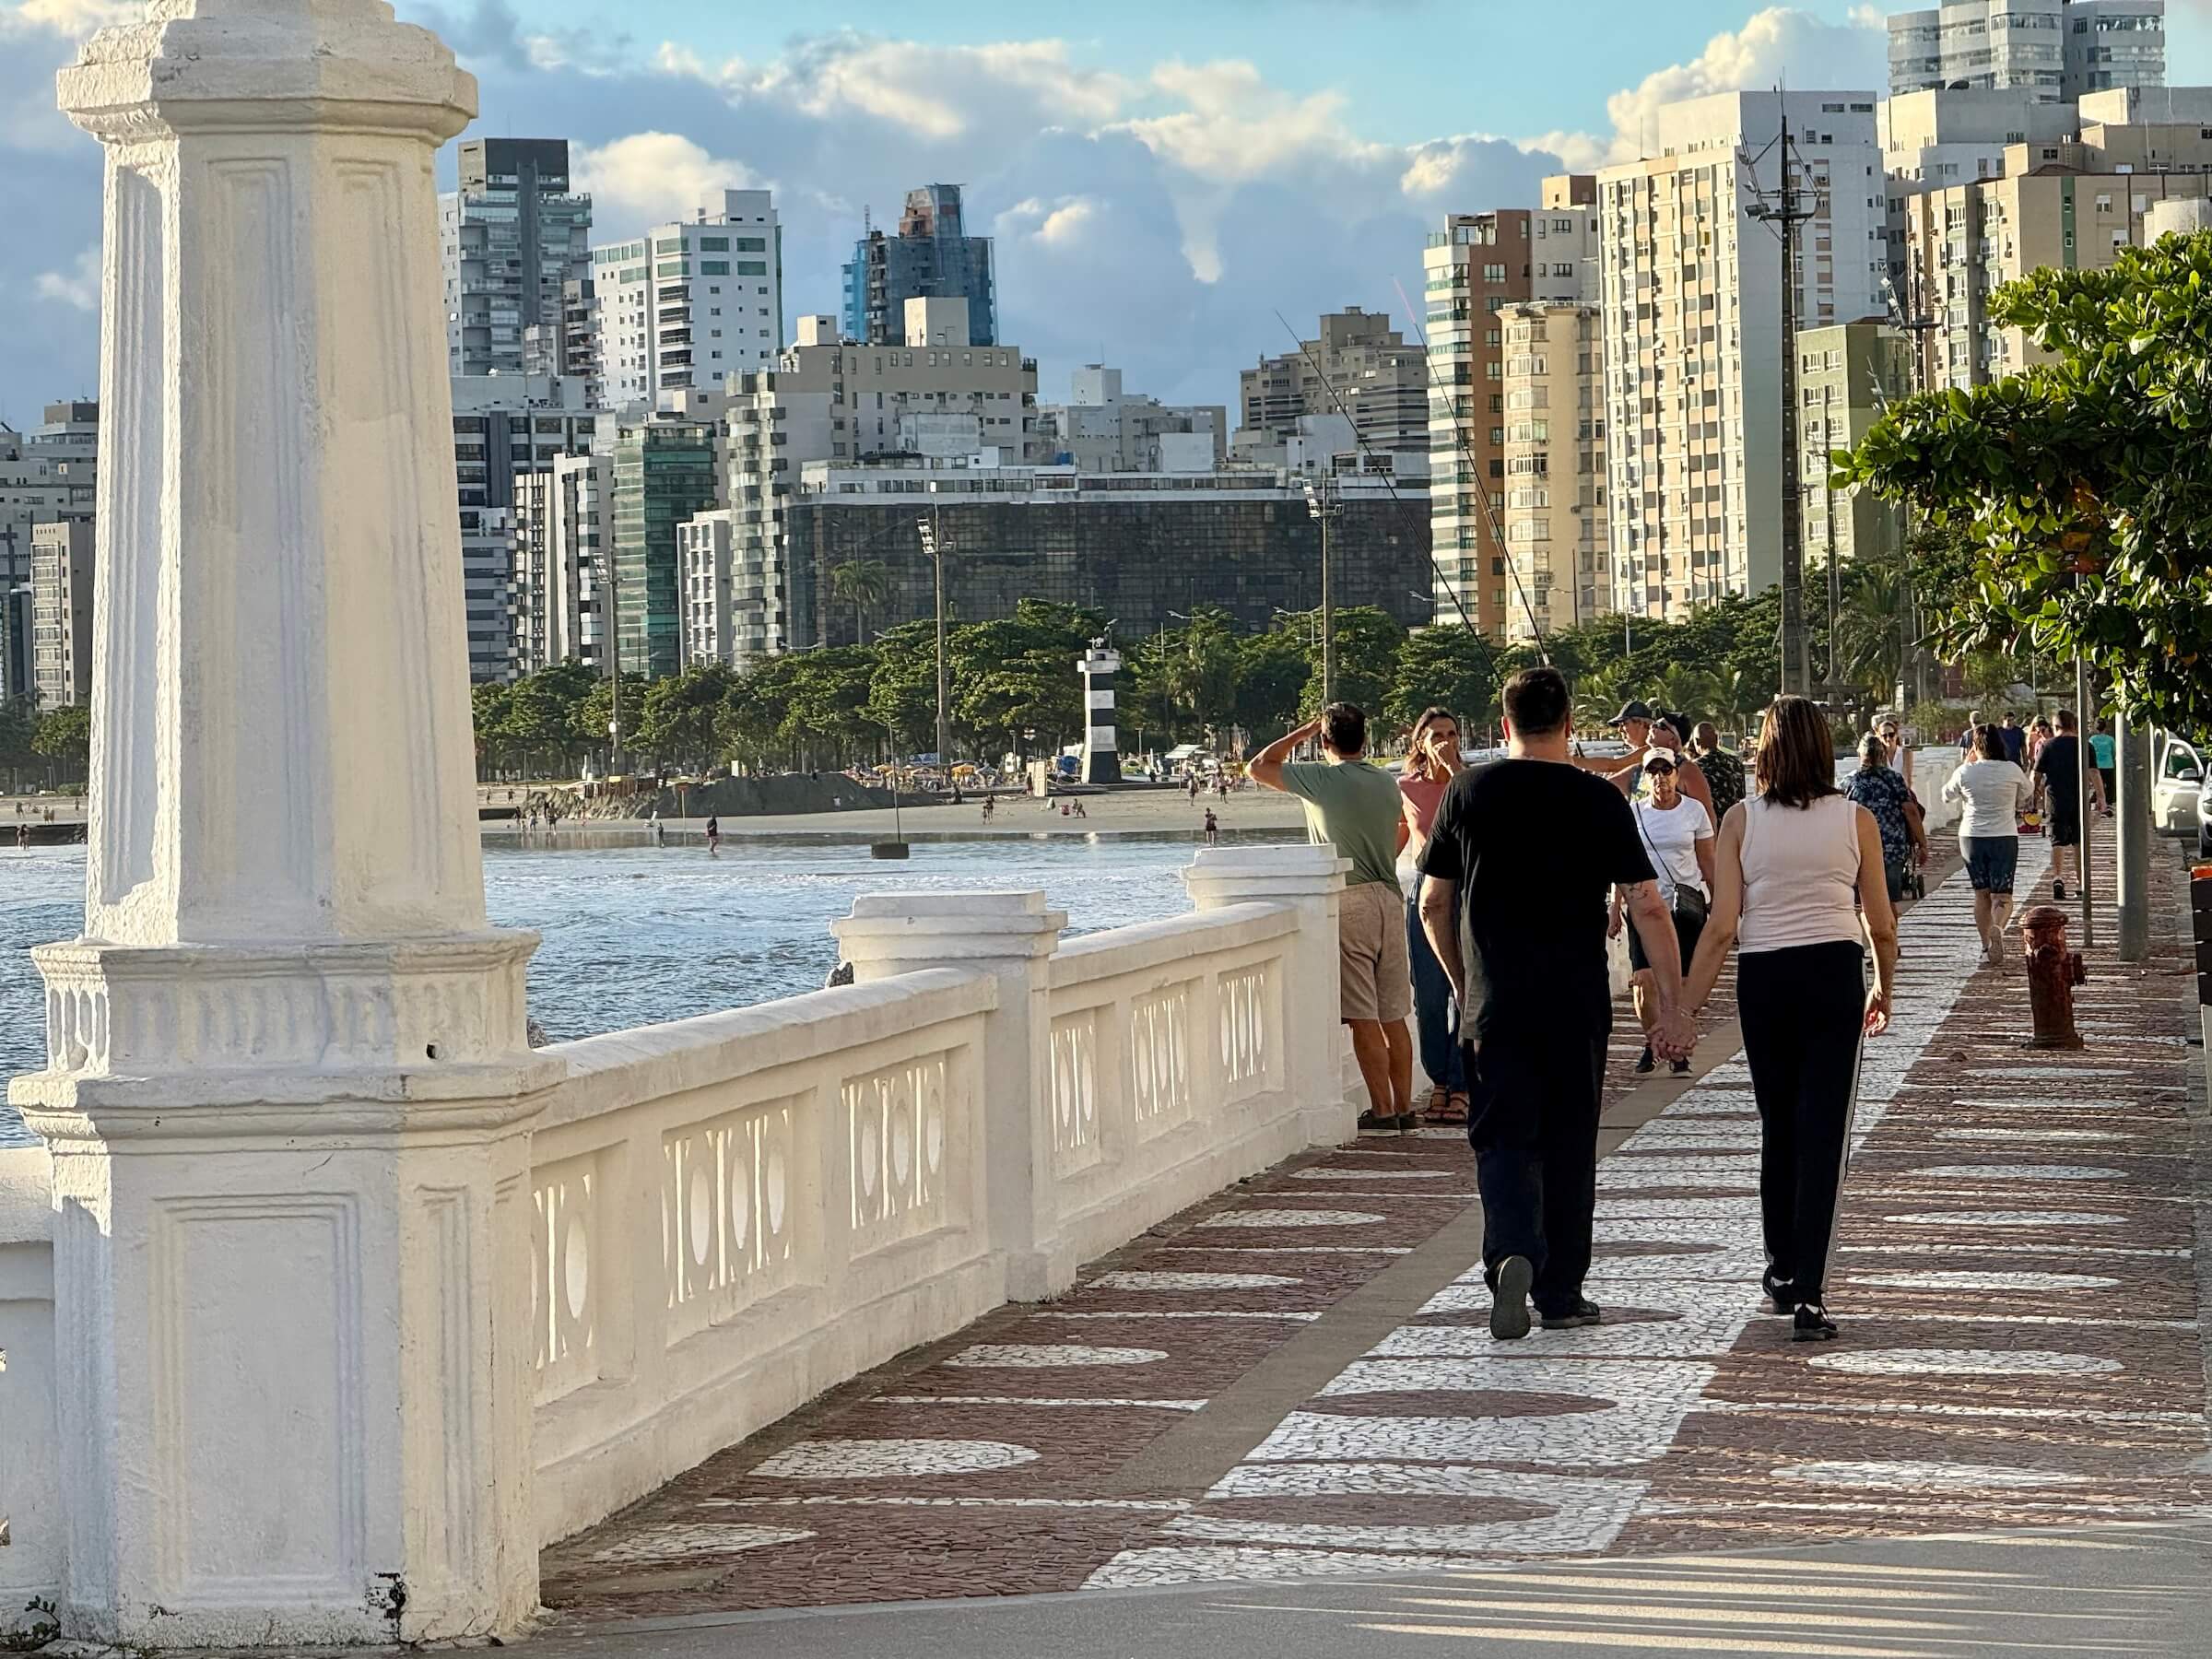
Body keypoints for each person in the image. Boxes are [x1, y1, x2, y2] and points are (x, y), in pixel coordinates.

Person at [1419, 667, 1693, 1340]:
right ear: (1568, 724)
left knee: (1503, 1140)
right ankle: (1562, 1292)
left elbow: (1432, 901)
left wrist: (1460, 981)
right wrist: (1676, 1005)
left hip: (1495, 1006)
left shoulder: (1467, 790)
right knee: (1570, 1144)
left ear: (1503, 723)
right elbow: (1649, 904)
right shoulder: (1597, 799)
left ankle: (1510, 1250)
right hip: (1574, 1006)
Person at [1685, 697, 1898, 1343]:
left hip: (1766, 979)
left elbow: (1722, 927)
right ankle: (1810, 1291)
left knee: (1779, 1125)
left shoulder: (1741, 822)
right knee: (1823, 1134)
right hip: (1834, 974)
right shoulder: (1855, 819)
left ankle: (1779, 1269)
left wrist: (1683, 1011)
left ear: (1766, 751)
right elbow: (1881, 923)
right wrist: (1883, 989)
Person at [1252, 704, 1418, 1133]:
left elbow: (1258, 767)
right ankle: (1403, 1106)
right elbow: (1401, 829)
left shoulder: (1320, 779)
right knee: (1394, 1014)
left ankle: (1382, 1110)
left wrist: (1300, 732)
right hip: (1388, 896)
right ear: (1365, 738)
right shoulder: (1385, 781)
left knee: (1363, 1014)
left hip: (1350, 902)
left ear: (1325, 741)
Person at [1612, 750, 1714, 1077]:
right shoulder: (1633, 814)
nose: (1660, 778)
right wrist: (1615, 907)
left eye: (1665, 770)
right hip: (1643, 906)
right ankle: (1652, 1039)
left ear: (1676, 774)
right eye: (1652, 771)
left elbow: (1708, 862)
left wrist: (1725, 906)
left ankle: (1677, 1049)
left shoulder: (1693, 812)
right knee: (1643, 981)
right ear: (1645, 777)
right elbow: (1623, 867)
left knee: (1680, 983)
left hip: (1685, 905)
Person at [1396, 708, 1470, 1124]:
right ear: (1420, 742)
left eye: (1452, 732)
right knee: (1427, 995)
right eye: (1437, 734)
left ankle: (1461, 1083)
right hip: (1425, 891)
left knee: (1465, 990)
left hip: (1467, 889)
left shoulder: (1471, 783)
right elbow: (1399, 842)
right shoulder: (1406, 788)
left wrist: (1455, 772)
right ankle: (1438, 1078)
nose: (1445, 740)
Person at [1943, 724, 2033, 968]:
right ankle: (1998, 928)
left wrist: (1966, 764)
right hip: (2004, 835)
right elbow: (2027, 792)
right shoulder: (2011, 769)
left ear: (1975, 745)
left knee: (1981, 894)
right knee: (2002, 894)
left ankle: (1985, 946)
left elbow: (1946, 795)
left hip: (1971, 837)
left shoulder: (1966, 772)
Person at [1842, 734, 1928, 907]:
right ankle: (1889, 932)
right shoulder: (1894, 779)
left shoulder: (1849, 782)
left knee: (1864, 902)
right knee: (1888, 902)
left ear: (1860, 755)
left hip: (1859, 848)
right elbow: (1911, 811)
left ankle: (1871, 932)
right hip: (1892, 849)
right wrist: (1922, 843)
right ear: (1882, 755)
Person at [2032, 708, 2105, 901]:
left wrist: (2034, 795)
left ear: (2056, 726)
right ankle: (2081, 884)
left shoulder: (2047, 746)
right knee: (2078, 842)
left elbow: (2036, 774)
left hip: (2055, 799)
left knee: (2057, 840)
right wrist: (2101, 797)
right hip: (2079, 798)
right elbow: (2094, 772)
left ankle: (2057, 877)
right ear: (2074, 725)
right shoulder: (2085, 746)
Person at [1689, 721, 1747, 821]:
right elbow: (1742, 795)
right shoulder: (1736, 763)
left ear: (1697, 742)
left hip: (1708, 827)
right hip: (1734, 823)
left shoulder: (1694, 768)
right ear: (1717, 739)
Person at [1876, 715, 1913, 794]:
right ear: (1880, 738)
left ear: (1896, 735)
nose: (1888, 739)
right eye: (1884, 736)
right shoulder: (1879, 756)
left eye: (1891, 734)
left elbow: (1907, 779)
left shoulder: (1906, 753)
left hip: (1903, 794)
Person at [2089, 724, 2117, 807]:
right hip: (2108, 765)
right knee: (2109, 785)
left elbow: (2090, 752)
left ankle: (2096, 800)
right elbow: (2114, 752)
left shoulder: (2092, 739)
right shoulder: (2110, 739)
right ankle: (2108, 803)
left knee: (2097, 785)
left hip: (2097, 766)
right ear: (2105, 728)